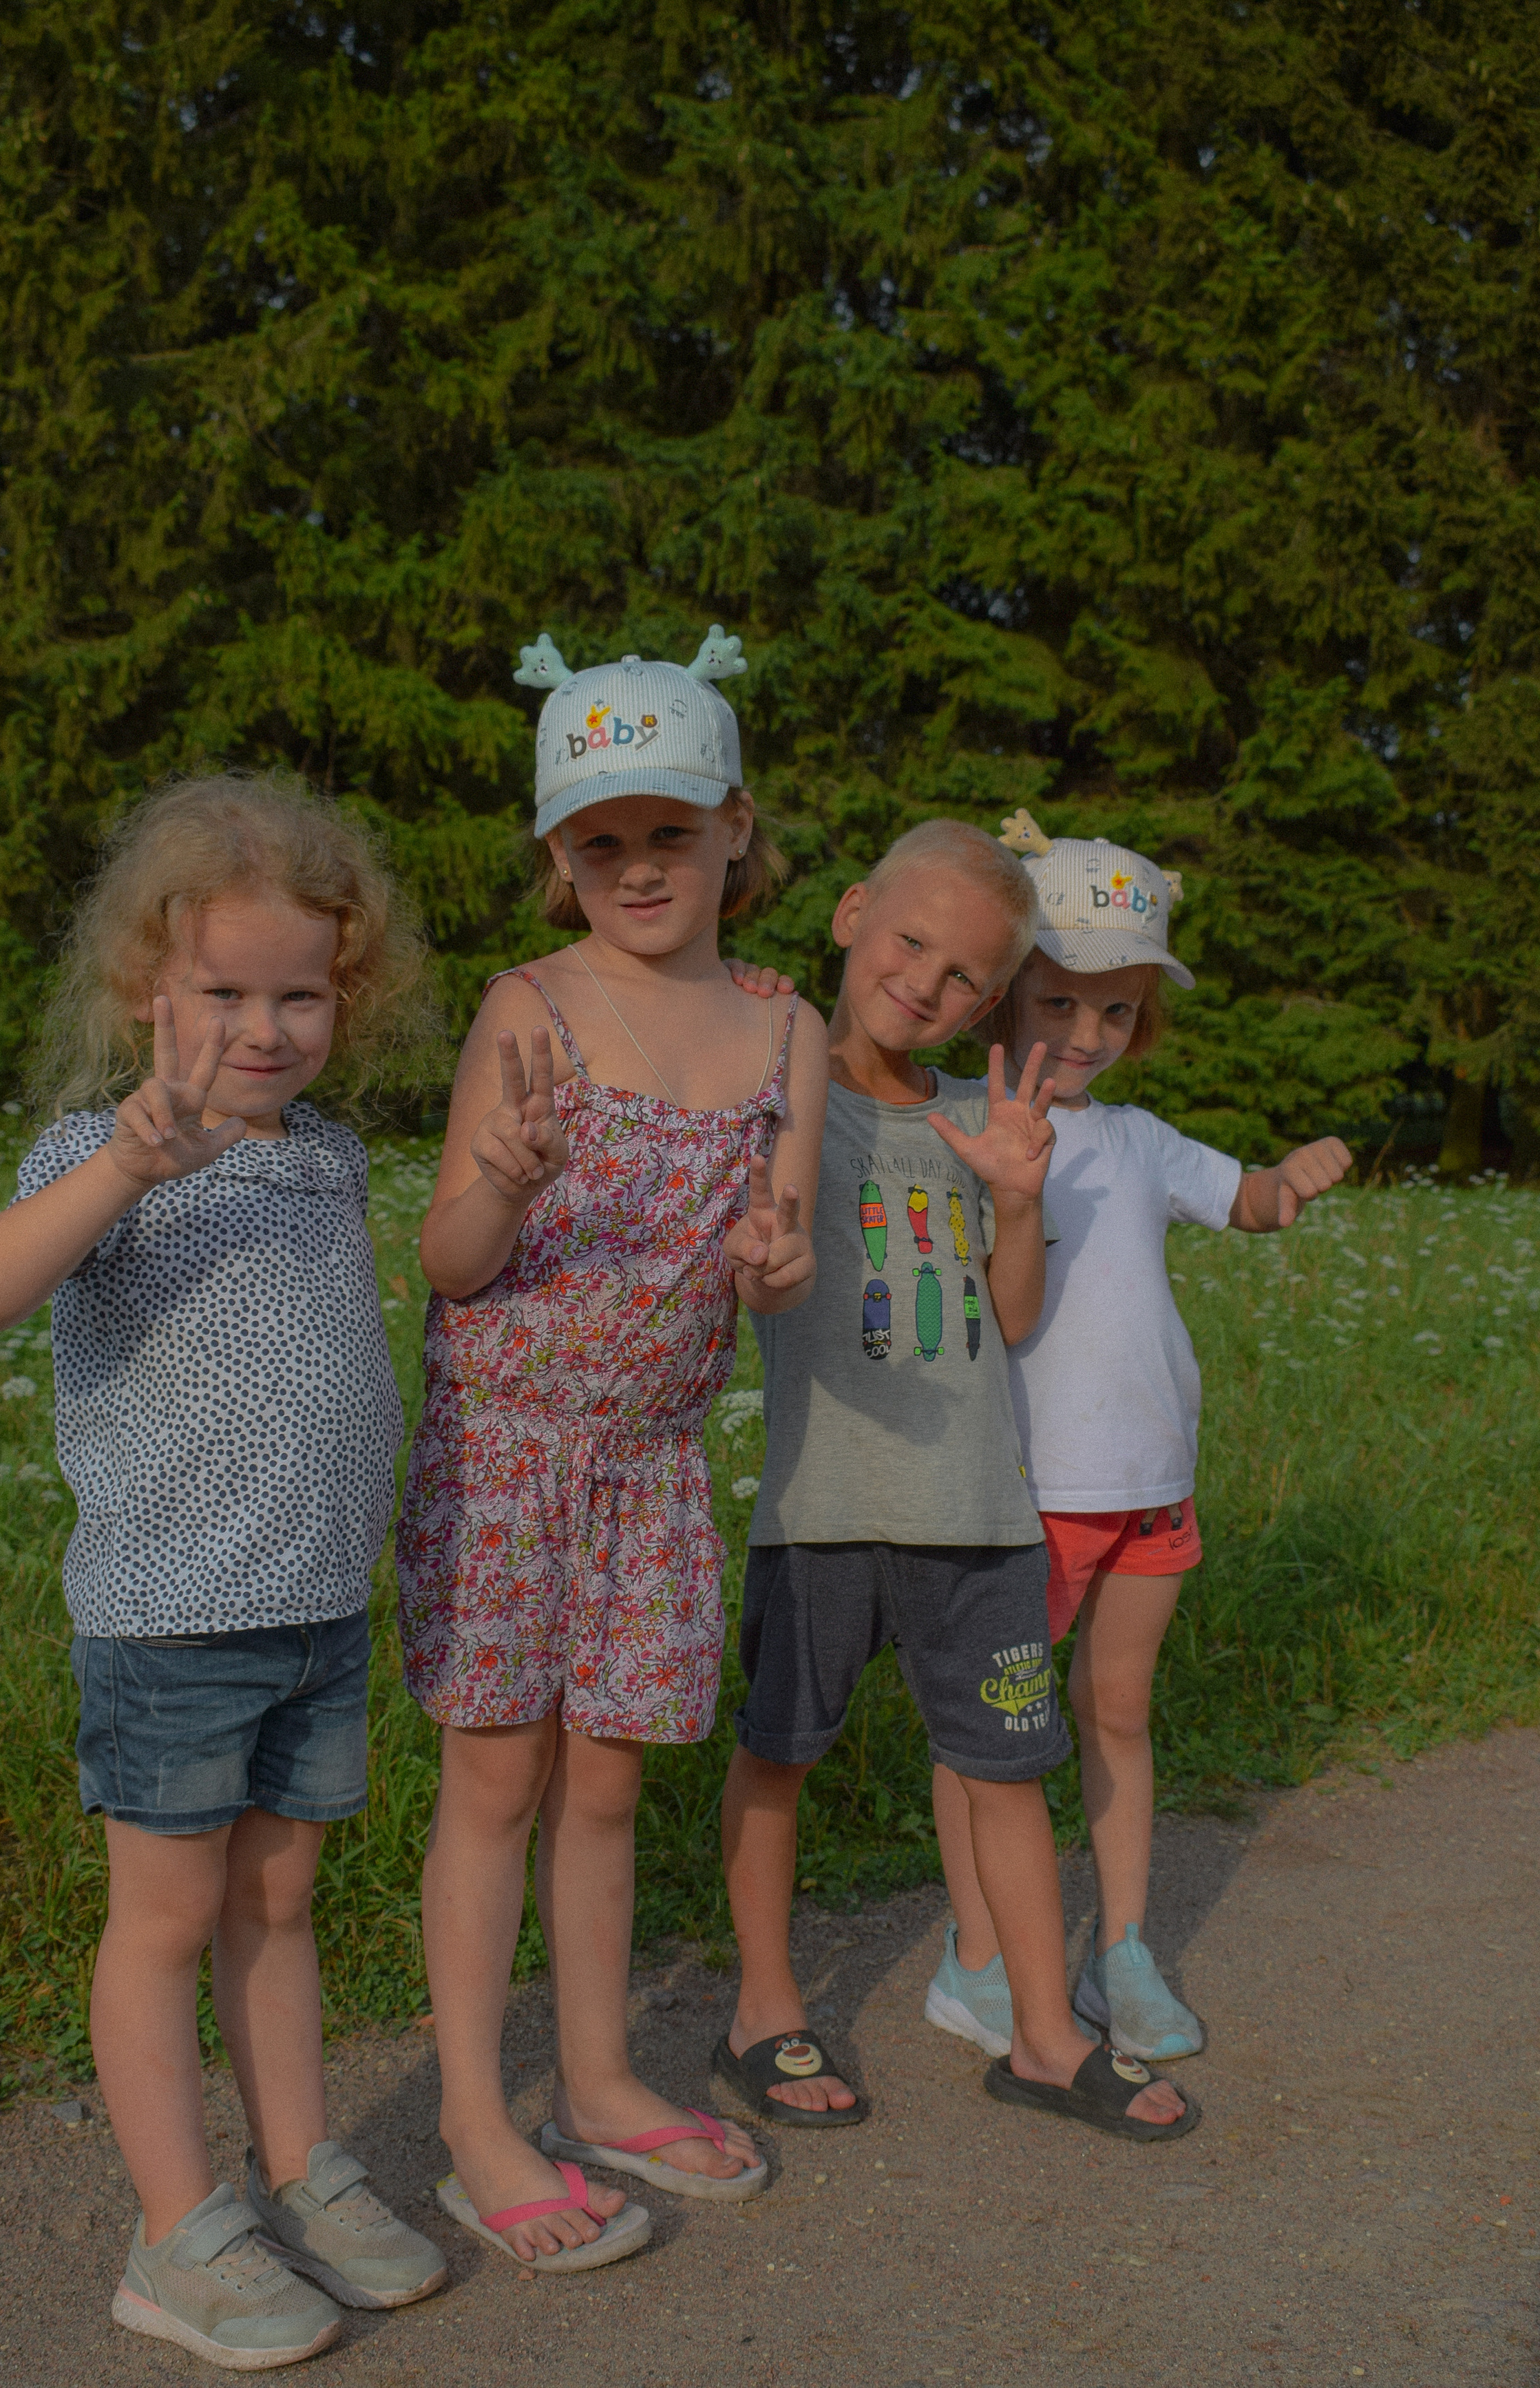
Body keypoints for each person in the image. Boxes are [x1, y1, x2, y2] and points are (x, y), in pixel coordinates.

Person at [0, 776, 446, 2369]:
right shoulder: (104, 1148)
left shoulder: (329, 1162)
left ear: (344, 998)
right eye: (224, 991)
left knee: (279, 1904)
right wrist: (119, 1176)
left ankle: (299, 2169)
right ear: (149, 995)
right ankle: (175, 2229)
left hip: (311, 1606)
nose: (265, 1024)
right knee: (161, 1919)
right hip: (171, 1613)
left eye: (300, 991)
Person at [398, 628, 830, 2272]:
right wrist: (498, 1183)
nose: (635, 866)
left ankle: (591, 2076)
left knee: (607, 1779)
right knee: (497, 1775)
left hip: (648, 1468)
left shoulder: (782, 1027)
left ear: (734, 824)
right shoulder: (530, 1003)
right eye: (599, 842)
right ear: (554, 860)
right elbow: (443, 1263)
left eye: (666, 830)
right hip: (507, 1456)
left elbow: (775, 1239)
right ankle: (467, 2113)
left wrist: (776, 1266)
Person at [715, 821, 1195, 2145]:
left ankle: (1043, 2036)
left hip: (980, 1511)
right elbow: (762, 1269)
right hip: (822, 1508)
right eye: (908, 942)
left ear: (993, 1002)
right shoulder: (783, 1091)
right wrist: (759, 1265)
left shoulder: (993, 1117)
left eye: (963, 975)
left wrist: (1022, 1202)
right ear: (851, 915)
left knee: (1007, 1769)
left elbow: (1014, 1314)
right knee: (778, 1755)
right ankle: (762, 2007)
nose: (926, 984)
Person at [924, 812, 1350, 2067]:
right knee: (992, 1739)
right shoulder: (958, 1121)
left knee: (1117, 1715)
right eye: (1060, 1002)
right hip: (1024, 1493)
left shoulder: (1142, 1141)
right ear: (1004, 993)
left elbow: (1251, 1201)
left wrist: (1293, 1178)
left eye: (1116, 1014)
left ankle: (1122, 1950)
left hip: (1152, 1486)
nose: (1088, 1037)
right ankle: (979, 1955)